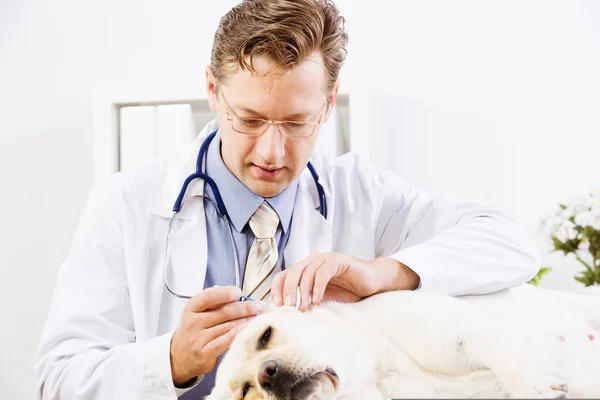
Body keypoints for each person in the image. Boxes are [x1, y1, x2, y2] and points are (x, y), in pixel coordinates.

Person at [34, 0, 541, 398]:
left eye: (297, 123)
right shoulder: (126, 205)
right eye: (249, 120)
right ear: (213, 90)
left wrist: (379, 273)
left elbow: (509, 244)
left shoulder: (360, 192)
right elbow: (56, 380)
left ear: (327, 101)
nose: (272, 152)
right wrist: (172, 359)